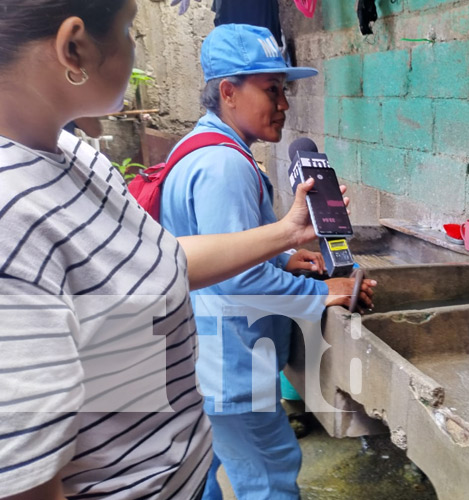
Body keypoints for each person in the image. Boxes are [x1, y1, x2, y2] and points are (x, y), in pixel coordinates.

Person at [0, 2, 335, 499]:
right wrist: (317, 296)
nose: (137, 49)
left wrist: (285, 239)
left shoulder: (79, 159)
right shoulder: (14, 212)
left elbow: (165, 257)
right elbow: (24, 464)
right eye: (129, 28)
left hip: (186, 419)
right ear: (74, 46)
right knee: (269, 476)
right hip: (230, 364)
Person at [159, 24, 376, 500]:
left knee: (202, 471)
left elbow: (215, 249)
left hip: (202, 356)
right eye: (271, 90)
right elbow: (240, 280)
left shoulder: (198, 148)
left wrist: (284, 255)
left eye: (285, 90)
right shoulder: (226, 166)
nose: (284, 103)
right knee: (271, 476)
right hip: (234, 365)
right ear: (228, 92)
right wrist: (326, 292)